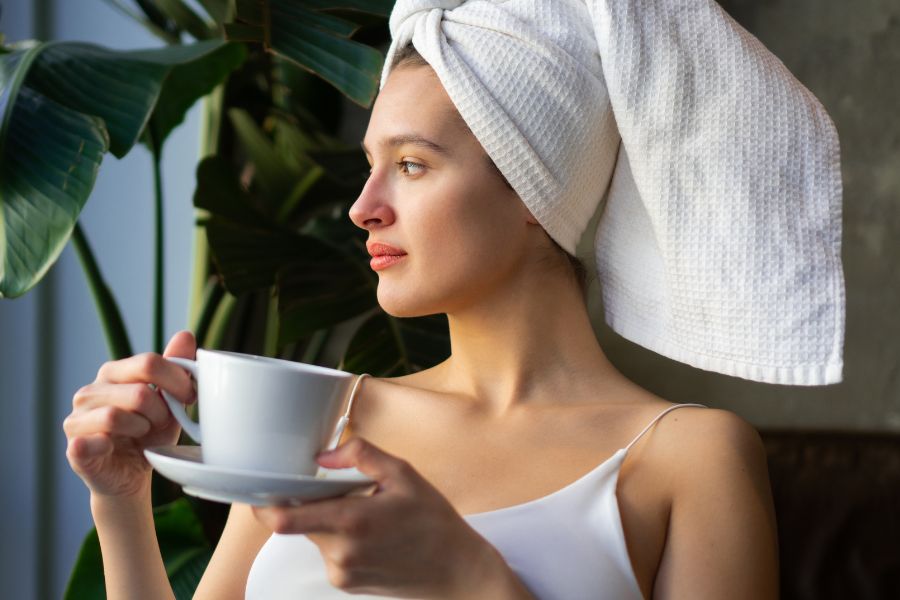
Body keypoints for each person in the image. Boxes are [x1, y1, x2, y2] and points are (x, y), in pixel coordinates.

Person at [64, 0, 846, 598]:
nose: (362, 206)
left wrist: (470, 577)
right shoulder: (321, 420)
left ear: (538, 190)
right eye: (371, 163)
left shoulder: (690, 460)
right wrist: (123, 504)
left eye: (411, 165)